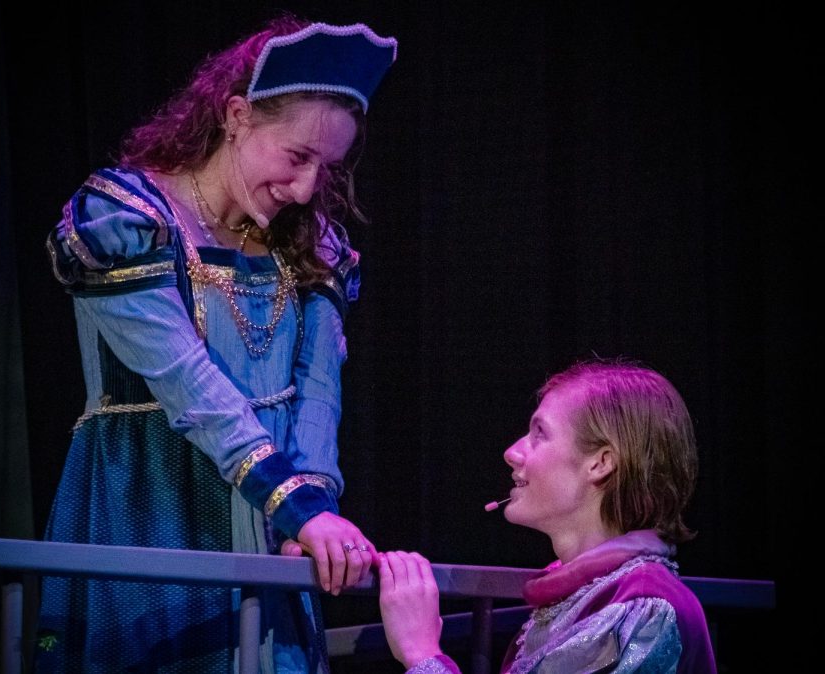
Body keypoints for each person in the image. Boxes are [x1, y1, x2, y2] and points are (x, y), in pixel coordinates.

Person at [36, 16, 397, 673]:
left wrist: (308, 514)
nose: (309, 187)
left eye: (327, 165)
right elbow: (189, 387)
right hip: (152, 506)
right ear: (236, 116)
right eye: (296, 156)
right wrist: (296, 505)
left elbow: (318, 398)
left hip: (271, 518)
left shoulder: (313, 249)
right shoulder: (128, 220)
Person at [377, 359, 717, 673]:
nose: (511, 452)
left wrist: (421, 653)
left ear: (600, 463)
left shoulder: (641, 606)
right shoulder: (580, 600)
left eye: (540, 433)